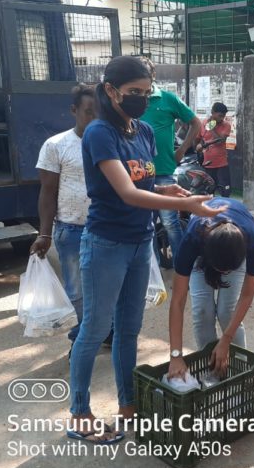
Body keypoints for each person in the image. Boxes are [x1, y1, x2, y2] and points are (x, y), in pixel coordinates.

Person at [67, 56, 223, 444]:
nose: (141, 98)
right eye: (133, 92)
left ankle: (127, 406)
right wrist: (184, 205)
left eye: (146, 92)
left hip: (140, 243)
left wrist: (167, 190)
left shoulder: (144, 132)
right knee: (96, 329)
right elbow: (126, 193)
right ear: (110, 91)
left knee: (130, 330)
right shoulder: (100, 133)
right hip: (106, 243)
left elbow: (144, 185)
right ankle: (80, 413)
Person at [31, 84, 113, 355]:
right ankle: (81, 340)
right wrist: (44, 234)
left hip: (105, 228)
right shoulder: (56, 145)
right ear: (74, 111)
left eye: (99, 113)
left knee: (108, 286)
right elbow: (47, 191)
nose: (94, 119)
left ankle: (108, 333)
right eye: (89, 113)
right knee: (77, 292)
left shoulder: (109, 141)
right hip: (71, 229)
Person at [166, 197, 254, 379]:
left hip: (233, 246)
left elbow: (247, 295)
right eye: (222, 269)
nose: (225, 272)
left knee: (227, 311)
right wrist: (176, 355)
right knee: (202, 311)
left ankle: (239, 371)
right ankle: (211, 371)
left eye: (229, 270)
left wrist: (226, 340)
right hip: (204, 251)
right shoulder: (191, 241)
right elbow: (178, 302)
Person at [139, 57, 202, 265]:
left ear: (153, 76)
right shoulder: (130, 103)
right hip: (138, 174)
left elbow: (195, 123)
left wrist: (182, 149)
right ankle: (153, 270)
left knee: (170, 223)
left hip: (164, 171)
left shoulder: (167, 99)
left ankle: (183, 265)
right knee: (145, 226)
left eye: (145, 76)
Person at [196, 102, 232, 197]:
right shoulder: (203, 123)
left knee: (225, 190)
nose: (222, 118)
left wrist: (211, 127)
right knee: (209, 190)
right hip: (207, 163)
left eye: (223, 116)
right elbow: (199, 139)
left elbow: (220, 141)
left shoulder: (226, 125)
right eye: (220, 115)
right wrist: (199, 146)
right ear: (212, 112)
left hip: (221, 163)